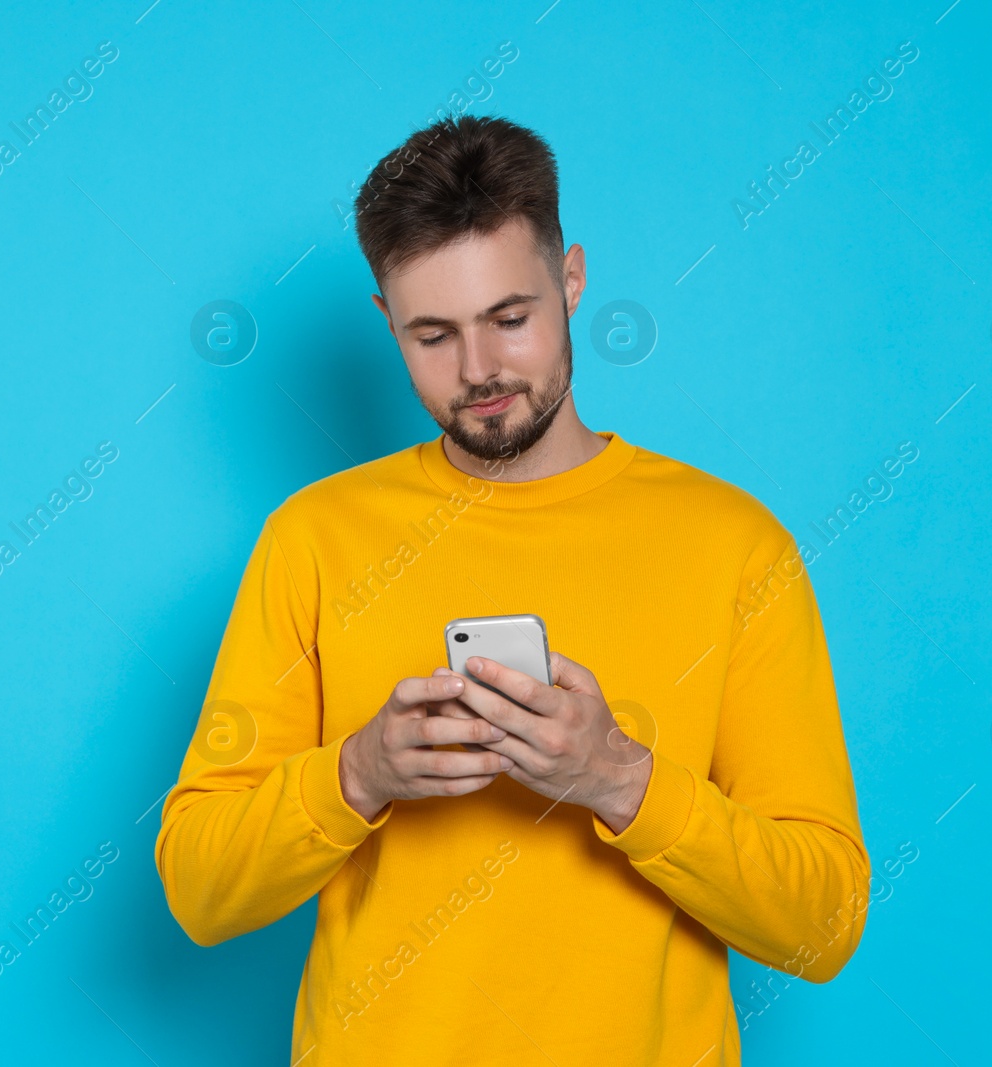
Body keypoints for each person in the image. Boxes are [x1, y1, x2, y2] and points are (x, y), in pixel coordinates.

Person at [155, 114, 869, 1065]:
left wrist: (620, 778)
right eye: (433, 335)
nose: (480, 371)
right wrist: (357, 773)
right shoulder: (314, 540)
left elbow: (822, 923)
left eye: (510, 318)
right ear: (386, 324)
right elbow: (201, 894)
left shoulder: (735, 547)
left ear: (571, 281)